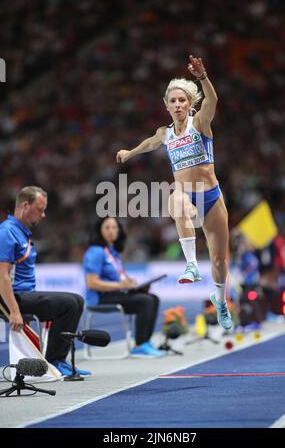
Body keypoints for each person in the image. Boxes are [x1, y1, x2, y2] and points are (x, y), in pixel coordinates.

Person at [116, 55, 232, 330]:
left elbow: (213, 101)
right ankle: (191, 265)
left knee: (219, 260)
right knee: (176, 200)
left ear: (189, 104)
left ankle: (220, 300)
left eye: (182, 100)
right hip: (185, 195)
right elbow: (150, 142)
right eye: (173, 101)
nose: (178, 105)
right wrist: (130, 152)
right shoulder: (165, 133)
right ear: (166, 106)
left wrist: (203, 77)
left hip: (212, 196)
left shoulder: (200, 123)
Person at [0, 186, 90, 377]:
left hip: (22, 295)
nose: (43, 215)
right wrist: (14, 311)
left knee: (77, 300)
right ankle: (55, 361)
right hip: (11, 299)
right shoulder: (7, 232)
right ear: (25, 205)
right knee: (68, 304)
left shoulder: (20, 232)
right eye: (40, 209)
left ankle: (57, 360)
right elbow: (2, 275)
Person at [83, 217, 166, 357]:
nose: (111, 231)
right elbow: (92, 283)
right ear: (99, 231)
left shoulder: (113, 252)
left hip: (116, 294)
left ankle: (145, 342)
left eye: (114, 227)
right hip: (100, 298)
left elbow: (122, 277)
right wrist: (121, 285)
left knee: (153, 298)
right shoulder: (95, 252)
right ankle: (140, 346)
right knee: (145, 301)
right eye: (107, 228)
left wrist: (133, 284)